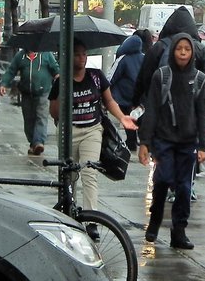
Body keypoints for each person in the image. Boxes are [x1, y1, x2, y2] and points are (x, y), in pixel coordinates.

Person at [137, 32, 205, 249]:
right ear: (173, 51)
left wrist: (203, 146)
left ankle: (179, 231)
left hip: (188, 143)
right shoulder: (161, 76)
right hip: (164, 140)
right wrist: (145, 142)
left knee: (184, 188)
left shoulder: (199, 79)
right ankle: (155, 218)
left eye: (187, 49)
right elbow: (151, 110)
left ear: (192, 53)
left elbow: (202, 114)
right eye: (179, 49)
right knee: (162, 180)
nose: (183, 53)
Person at [49, 40, 138, 215]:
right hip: (69, 132)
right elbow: (54, 112)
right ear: (69, 57)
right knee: (69, 176)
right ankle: (68, 213)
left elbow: (109, 101)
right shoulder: (62, 81)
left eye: (84, 54)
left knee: (89, 173)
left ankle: (91, 219)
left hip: (92, 130)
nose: (81, 58)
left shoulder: (96, 76)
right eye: (77, 54)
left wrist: (122, 117)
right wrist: (61, 88)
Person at [0, 48, 60, 155]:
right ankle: (33, 143)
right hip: (26, 93)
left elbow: (55, 69)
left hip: (43, 92)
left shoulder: (46, 54)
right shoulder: (20, 56)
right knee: (28, 119)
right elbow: (11, 71)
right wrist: (3, 84)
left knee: (41, 117)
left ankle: (39, 142)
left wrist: (59, 79)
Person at [108, 32, 146, 150]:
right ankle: (144, 144)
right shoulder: (145, 57)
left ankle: (131, 143)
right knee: (141, 120)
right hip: (141, 99)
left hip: (124, 98)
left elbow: (111, 77)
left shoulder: (123, 59)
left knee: (128, 120)